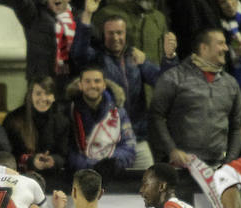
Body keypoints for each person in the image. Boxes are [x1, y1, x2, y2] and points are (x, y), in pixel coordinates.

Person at [71, 0, 179, 169]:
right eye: (111, 33)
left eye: (119, 33)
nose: (116, 37)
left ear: (125, 34)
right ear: (103, 35)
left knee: (147, 183)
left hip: (137, 137)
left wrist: (169, 57)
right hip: (105, 139)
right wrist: (87, 15)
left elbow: (163, 83)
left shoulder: (136, 59)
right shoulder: (97, 59)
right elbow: (79, 53)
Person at [149, 28, 241, 167]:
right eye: (221, 43)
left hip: (218, 166)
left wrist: (230, 162)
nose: (226, 48)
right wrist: (171, 151)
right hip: (180, 167)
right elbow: (155, 116)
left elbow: (237, 126)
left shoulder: (231, 84)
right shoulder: (173, 78)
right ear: (204, 48)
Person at [67, 64, 136, 172]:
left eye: (97, 81)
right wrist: (90, 166)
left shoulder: (119, 112)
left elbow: (129, 147)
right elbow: (68, 150)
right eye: (87, 81)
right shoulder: (70, 111)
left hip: (113, 172)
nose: (93, 85)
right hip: (81, 174)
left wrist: (111, 162)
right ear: (80, 85)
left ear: (104, 85)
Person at [2, 76, 70, 174]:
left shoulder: (62, 121)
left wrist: (54, 160)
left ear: (54, 97)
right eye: (38, 93)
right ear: (30, 96)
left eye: (48, 93)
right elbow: (7, 154)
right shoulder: (13, 119)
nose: (43, 98)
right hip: (20, 174)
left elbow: (64, 155)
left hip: (50, 175)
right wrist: (31, 161)